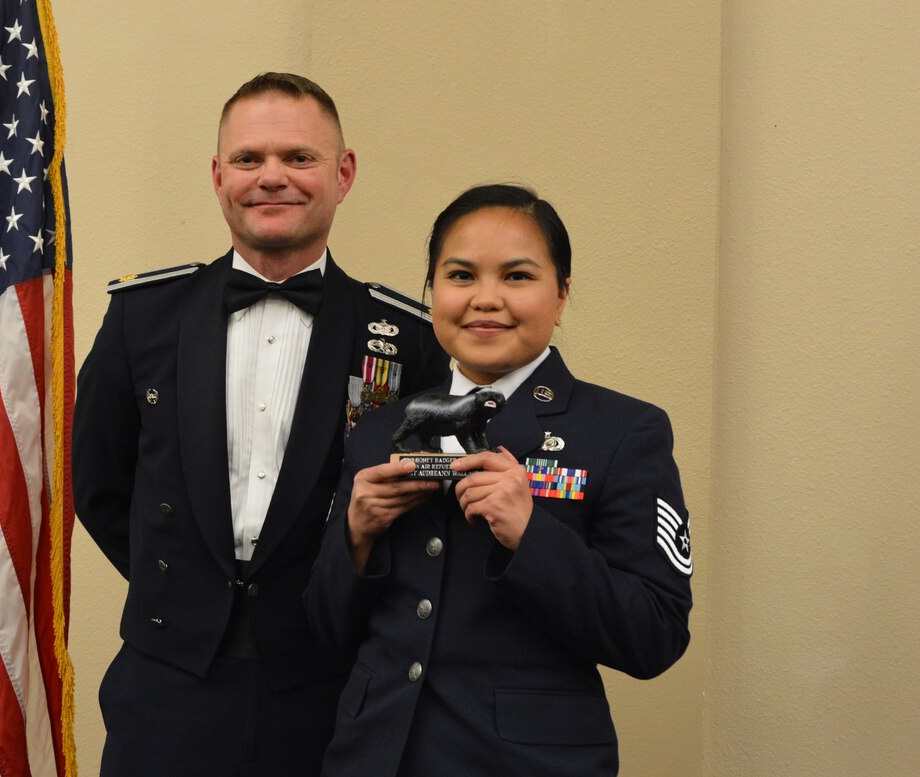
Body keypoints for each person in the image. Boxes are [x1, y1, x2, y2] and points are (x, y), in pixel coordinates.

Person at [72, 72, 448, 777]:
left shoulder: (405, 338)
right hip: (166, 686)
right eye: (249, 159)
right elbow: (96, 482)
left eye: (299, 158)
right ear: (219, 176)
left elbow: (419, 521)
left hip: (328, 686)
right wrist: (183, 582)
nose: (272, 177)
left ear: (344, 174)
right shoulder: (142, 317)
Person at [306, 184, 694, 776]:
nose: (486, 299)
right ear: (432, 291)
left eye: (517, 277)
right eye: (460, 276)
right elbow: (325, 631)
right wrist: (355, 536)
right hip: (374, 757)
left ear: (562, 293)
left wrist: (531, 533)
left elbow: (655, 636)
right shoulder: (379, 429)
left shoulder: (623, 431)